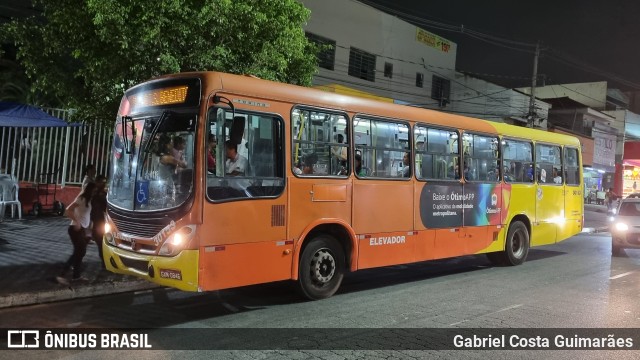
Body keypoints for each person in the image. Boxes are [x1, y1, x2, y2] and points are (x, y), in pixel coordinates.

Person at [56, 182, 97, 284]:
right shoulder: (81, 198)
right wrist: (77, 221)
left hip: (82, 229)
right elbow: (68, 210)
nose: (95, 192)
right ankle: (62, 275)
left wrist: (89, 228)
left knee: (80, 252)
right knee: (79, 252)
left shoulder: (88, 201)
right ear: (90, 190)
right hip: (75, 229)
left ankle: (75, 276)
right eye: (94, 190)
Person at [91, 175, 108, 269]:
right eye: (102, 182)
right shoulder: (95, 194)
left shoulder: (102, 194)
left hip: (99, 221)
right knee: (101, 243)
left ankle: (104, 264)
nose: (103, 184)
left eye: (104, 182)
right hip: (94, 222)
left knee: (101, 243)